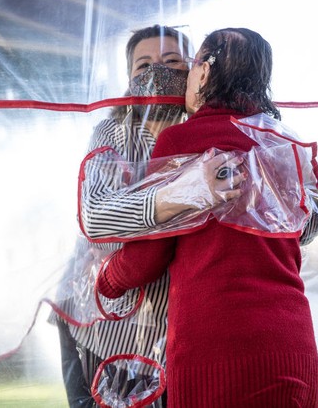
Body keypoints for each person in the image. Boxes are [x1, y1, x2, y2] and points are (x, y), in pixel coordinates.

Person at [96, 28, 318, 407]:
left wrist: (107, 279)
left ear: (202, 73)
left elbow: (148, 256)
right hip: (294, 346)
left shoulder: (181, 141)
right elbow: (306, 227)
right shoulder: (288, 144)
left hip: (215, 351)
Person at [51, 24, 243, 407]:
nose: (157, 70)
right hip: (98, 328)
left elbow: (263, 217)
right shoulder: (112, 133)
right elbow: (96, 215)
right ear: (128, 80)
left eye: (172, 60)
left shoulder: (220, 133)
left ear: (197, 70)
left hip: (182, 335)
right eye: (143, 65)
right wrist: (180, 196)